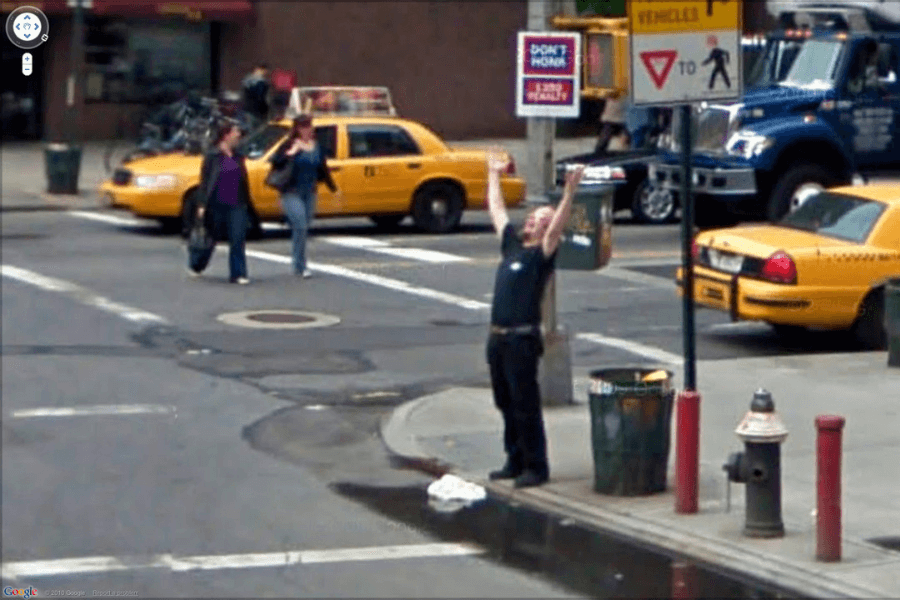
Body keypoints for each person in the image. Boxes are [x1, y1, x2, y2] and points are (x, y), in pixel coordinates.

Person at [484, 149, 585, 488]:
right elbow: (497, 211)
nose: (533, 222)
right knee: (504, 401)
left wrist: (568, 194)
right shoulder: (512, 247)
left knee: (525, 403)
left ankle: (535, 466)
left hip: (522, 338)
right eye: (532, 218)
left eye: (540, 220)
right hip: (497, 337)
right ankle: (513, 459)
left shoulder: (542, 255)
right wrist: (493, 175)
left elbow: (557, 229)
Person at [269, 115, 339, 278]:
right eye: (304, 127)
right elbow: (276, 162)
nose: (308, 130)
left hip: (310, 191)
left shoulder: (316, 146)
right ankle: (301, 265)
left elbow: (322, 167)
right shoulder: (289, 144)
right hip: (291, 191)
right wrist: (291, 153)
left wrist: (333, 188)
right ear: (297, 129)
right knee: (299, 224)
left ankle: (297, 262)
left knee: (303, 228)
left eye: (309, 126)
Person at [189, 120, 254, 284]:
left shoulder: (239, 156)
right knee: (211, 237)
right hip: (216, 203)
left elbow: (243, 180)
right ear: (226, 135)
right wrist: (202, 205)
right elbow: (205, 182)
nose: (238, 135)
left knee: (237, 238)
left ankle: (238, 273)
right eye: (235, 132)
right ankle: (197, 264)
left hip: (237, 203)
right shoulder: (212, 156)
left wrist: (248, 203)